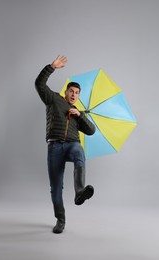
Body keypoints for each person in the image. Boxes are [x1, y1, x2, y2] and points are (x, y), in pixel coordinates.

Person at [35, 55, 96, 234]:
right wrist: (51, 67)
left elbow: (91, 131)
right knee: (55, 188)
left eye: (77, 93)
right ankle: (60, 220)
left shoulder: (78, 112)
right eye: (71, 91)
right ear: (66, 92)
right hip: (54, 147)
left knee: (79, 151)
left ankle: (79, 191)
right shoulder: (53, 99)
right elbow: (39, 84)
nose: (74, 95)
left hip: (71, 145)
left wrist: (80, 115)